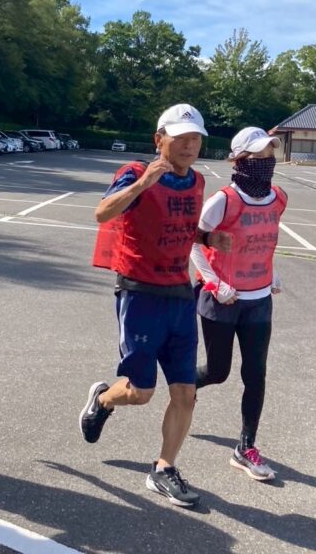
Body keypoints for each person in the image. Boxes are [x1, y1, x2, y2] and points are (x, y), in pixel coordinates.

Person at [82, 104, 231, 508]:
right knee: (141, 392)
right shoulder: (134, 172)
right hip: (140, 294)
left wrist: (207, 239)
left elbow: (183, 226)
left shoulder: (197, 180)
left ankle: (164, 468)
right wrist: (143, 183)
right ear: (159, 139)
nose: (189, 145)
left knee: (186, 392)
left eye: (195, 138)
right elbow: (102, 213)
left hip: (179, 294)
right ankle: (104, 399)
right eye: (181, 138)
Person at [190, 126, 287, 482]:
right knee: (218, 372)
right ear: (239, 160)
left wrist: (271, 272)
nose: (267, 160)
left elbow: (264, 240)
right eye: (259, 155)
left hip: (259, 300)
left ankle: (246, 447)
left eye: (270, 154)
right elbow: (194, 242)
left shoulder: (278, 198)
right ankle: (186, 386)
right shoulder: (224, 201)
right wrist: (215, 283)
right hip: (222, 300)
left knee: (256, 375)